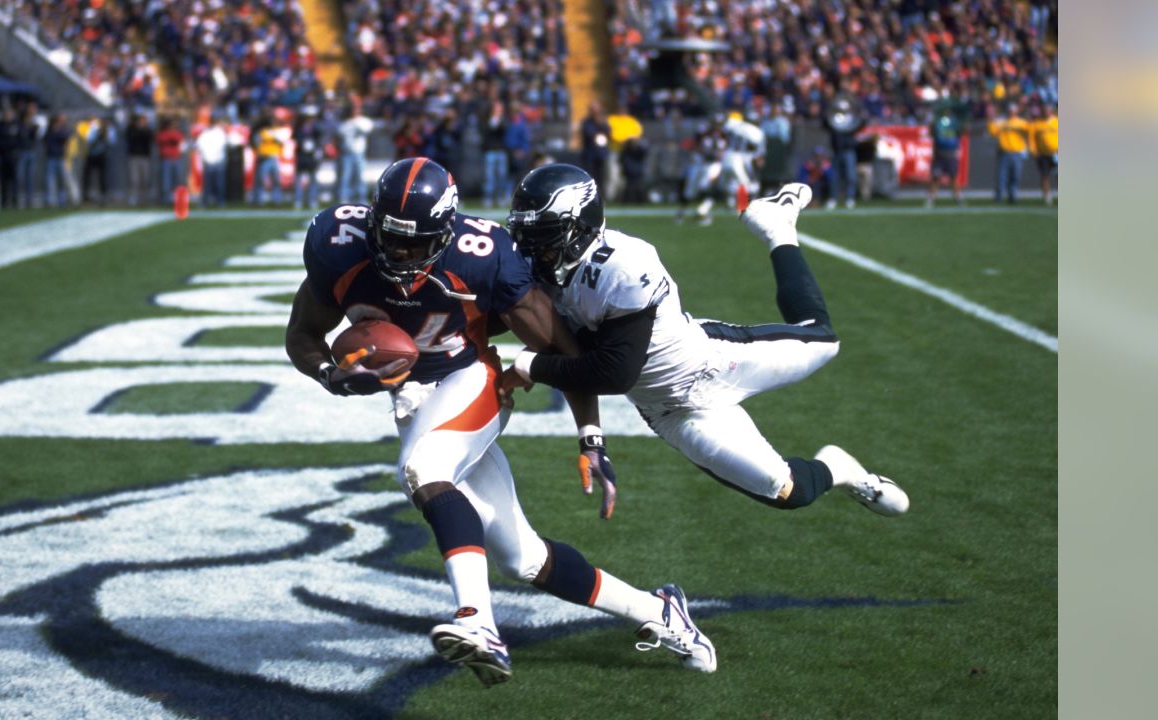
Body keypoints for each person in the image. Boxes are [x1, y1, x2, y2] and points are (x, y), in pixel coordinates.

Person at [286, 157, 716, 687]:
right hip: (417, 400)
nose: (398, 253)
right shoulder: (340, 244)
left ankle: (478, 622)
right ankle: (659, 612)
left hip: (468, 378)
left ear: (444, 233)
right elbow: (302, 336)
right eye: (389, 237)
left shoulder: (485, 259)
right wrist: (331, 374)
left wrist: (591, 437)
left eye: (414, 243)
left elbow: (563, 350)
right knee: (524, 559)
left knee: (424, 471)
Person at [503, 164, 909, 518]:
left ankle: (777, 227)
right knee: (787, 491)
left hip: (714, 364)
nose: (530, 250)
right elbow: (572, 351)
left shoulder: (623, 266)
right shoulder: (541, 269)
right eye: (526, 236)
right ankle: (839, 469)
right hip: (670, 412)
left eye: (543, 237)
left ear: (580, 227)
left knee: (823, 337)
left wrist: (529, 366)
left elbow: (614, 372)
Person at [822, 84, 866, 209]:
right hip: (836, 149)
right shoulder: (834, 118)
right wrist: (828, 113)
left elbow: (860, 126)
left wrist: (860, 115)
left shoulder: (852, 119)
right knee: (834, 176)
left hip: (848, 149)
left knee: (850, 176)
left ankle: (850, 198)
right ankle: (833, 198)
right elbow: (825, 125)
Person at [926, 100, 965, 208]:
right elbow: (932, 134)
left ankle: (959, 198)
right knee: (935, 177)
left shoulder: (955, 122)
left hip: (951, 153)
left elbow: (960, 134)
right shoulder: (937, 122)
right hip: (940, 153)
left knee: (953, 177)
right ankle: (930, 199)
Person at [989, 104, 1029, 204]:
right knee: (1001, 176)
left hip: (1017, 152)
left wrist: (1026, 149)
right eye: (1010, 110)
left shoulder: (1022, 123)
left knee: (1015, 176)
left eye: (1013, 110)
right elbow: (993, 132)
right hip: (1004, 152)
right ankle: (999, 197)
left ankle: (1013, 196)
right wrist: (991, 120)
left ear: (1016, 111)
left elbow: (1028, 135)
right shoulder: (1002, 123)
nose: (1011, 112)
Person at [336, 102, 374, 203]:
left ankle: (361, 199)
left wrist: (356, 123)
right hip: (346, 154)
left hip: (359, 154)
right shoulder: (345, 123)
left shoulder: (364, 121)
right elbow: (339, 135)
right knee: (345, 177)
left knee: (360, 177)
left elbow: (366, 130)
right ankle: (344, 199)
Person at [1028, 104, 1058, 206]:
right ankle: (1047, 196)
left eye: (1048, 110)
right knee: (1044, 175)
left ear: (1052, 111)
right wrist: (1033, 151)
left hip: (1056, 154)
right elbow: (1031, 139)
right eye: (1044, 110)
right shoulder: (1037, 124)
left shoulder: (1057, 122)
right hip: (1043, 154)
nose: (1046, 112)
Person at [196, 118, 230, 208]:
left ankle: (207, 202)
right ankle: (219, 202)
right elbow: (226, 144)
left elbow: (198, 146)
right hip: (217, 160)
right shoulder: (219, 133)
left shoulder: (205, 134)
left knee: (209, 183)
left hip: (209, 160)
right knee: (217, 183)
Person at [579, 101, 611, 191]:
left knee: (601, 177)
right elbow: (589, 134)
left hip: (601, 155)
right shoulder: (587, 122)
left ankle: (601, 195)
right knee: (590, 177)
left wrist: (601, 123)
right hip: (590, 154)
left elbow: (609, 132)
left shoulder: (604, 122)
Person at [126, 114, 155, 206]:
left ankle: (144, 199)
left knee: (145, 179)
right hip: (134, 156)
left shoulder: (148, 130)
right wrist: (138, 129)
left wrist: (143, 129)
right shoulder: (132, 129)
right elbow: (131, 138)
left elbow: (150, 139)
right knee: (134, 179)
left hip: (145, 157)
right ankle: (133, 198)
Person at [156, 117, 187, 203]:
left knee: (178, 180)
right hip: (166, 159)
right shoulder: (162, 134)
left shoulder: (178, 133)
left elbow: (180, 141)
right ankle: (166, 200)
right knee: (166, 181)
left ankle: (179, 199)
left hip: (177, 159)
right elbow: (164, 140)